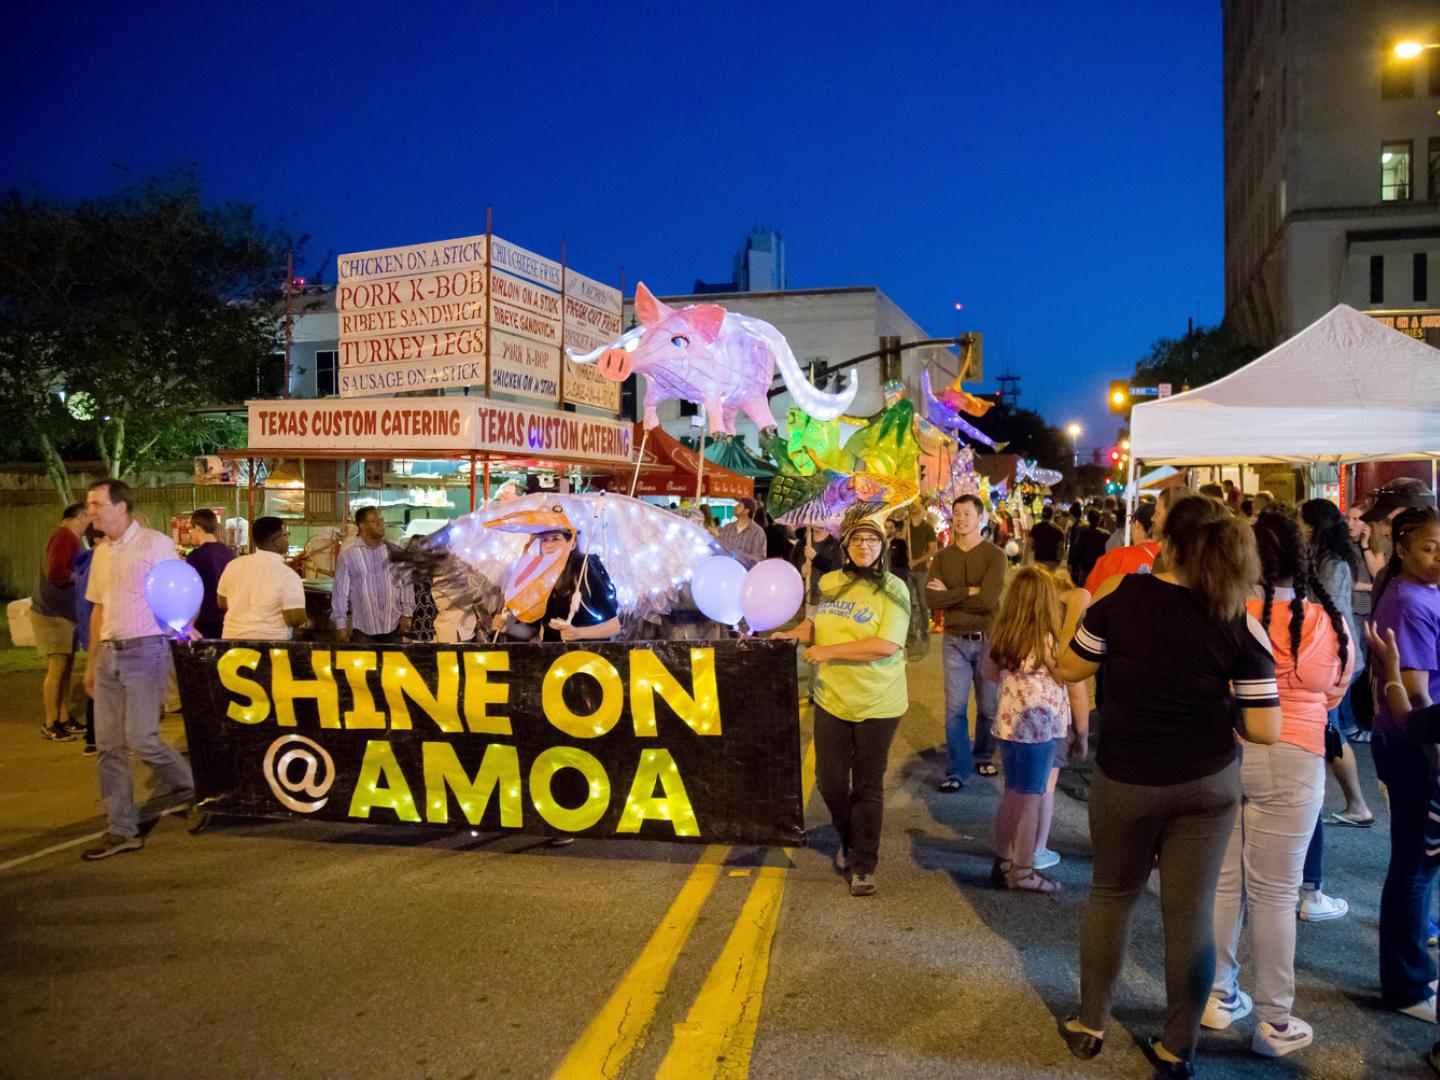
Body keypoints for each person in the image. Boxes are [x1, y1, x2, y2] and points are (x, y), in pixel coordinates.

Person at [1056, 494, 1282, 1075]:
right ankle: (1177, 1046)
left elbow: (1072, 667)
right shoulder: (1237, 615)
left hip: (1128, 776)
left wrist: (1077, 609)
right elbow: (1264, 726)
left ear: (1171, 545)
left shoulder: (1123, 596)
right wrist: (1216, 701)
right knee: (1190, 913)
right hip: (1207, 782)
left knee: (1112, 895)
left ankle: (1090, 1025)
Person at [1203, 511, 1352, 1058]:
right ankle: (1275, 1023)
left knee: (1223, 884)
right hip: (1297, 758)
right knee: (1276, 894)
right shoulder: (1327, 621)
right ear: (1301, 559)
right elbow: (1337, 690)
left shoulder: (1226, 615)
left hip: (1229, 752)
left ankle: (1217, 996)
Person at [771, 513, 910, 896]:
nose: (865, 546)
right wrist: (792, 635)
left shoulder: (895, 589)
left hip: (878, 701)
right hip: (832, 697)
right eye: (857, 540)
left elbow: (887, 645)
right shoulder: (830, 582)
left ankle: (864, 864)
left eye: (872, 540)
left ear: (883, 546)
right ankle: (851, 837)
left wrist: (828, 651)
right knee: (830, 781)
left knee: (867, 785)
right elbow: (813, 623)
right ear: (846, 545)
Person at [80, 479, 196, 860]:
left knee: (142, 739)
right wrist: (92, 662)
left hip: (147, 650)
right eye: (89, 505)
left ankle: (195, 786)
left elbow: (181, 587)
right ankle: (121, 828)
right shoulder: (101, 553)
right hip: (110, 654)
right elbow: (98, 609)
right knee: (108, 747)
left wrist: (182, 626)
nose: (90, 511)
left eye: (96, 503)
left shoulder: (154, 543)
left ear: (120, 506)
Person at [1365, 506, 1440, 1022]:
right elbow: (1413, 700)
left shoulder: (1423, 593)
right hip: (1416, 746)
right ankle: (1406, 984)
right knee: (1414, 865)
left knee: (1423, 864)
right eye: (1431, 548)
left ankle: (1412, 970)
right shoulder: (1409, 603)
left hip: (1422, 743)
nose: (1439, 556)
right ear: (1405, 549)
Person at [982, 566, 1088, 892]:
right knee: (1031, 797)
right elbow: (1069, 676)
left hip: (1009, 726)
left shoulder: (1004, 636)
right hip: (1040, 729)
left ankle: (1002, 861)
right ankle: (1024, 870)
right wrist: (1081, 732)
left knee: (1012, 794)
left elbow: (988, 672)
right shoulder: (1048, 641)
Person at [928, 494, 1006, 786]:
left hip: (987, 639)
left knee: (988, 706)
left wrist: (951, 595)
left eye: (966, 513)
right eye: (956, 513)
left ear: (981, 518)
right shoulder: (943, 557)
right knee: (955, 708)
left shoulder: (995, 555)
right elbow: (930, 598)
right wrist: (967, 591)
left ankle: (984, 754)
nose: (960, 518)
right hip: (954, 641)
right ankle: (957, 769)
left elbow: (988, 601)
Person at [488, 506, 620, 643]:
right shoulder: (538, 576)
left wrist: (578, 633)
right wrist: (509, 627)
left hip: (588, 658)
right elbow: (531, 631)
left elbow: (614, 626)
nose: (549, 545)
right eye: (545, 540)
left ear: (572, 544)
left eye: (555, 539)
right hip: (552, 658)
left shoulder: (586, 569)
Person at [31, 502, 87, 741]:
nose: (92, 521)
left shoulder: (68, 537)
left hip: (63, 613)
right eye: (90, 515)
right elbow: (56, 573)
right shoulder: (64, 536)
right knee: (57, 668)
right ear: (80, 516)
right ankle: (51, 722)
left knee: (65, 668)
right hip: (53, 613)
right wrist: (83, 577)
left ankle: (64, 718)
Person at [332, 506, 414, 644]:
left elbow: (408, 582)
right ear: (362, 525)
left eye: (381, 519)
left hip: (393, 627)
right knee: (364, 666)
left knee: (392, 665)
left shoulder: (395, 552)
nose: (381, 523)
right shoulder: (349, 556)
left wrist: (407, 613)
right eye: (375, 521)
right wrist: (341, 625)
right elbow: (340, 592)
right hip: (363, 630)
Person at [217, 517, 307, 640]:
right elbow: (295, 618)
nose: (287, 539)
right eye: (286, 535)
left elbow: (222, 603)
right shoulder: (287, 575)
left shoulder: (234, 565)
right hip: (270, 644)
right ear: (276, 541)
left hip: (231, 642)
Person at [185, 509, 235, 639]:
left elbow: (192, 591)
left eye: (191, 529)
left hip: (204, 619)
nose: (191, 533)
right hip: (227, 618)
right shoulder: (229, 553)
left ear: (198, 528)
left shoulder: (194, 556)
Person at [790, 525, 844, 611]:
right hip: (803, 602)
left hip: (827, 602)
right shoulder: (801, 544)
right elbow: (791, 568)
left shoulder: (836, 545)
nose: (818, 523)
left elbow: (838, 570)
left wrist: (815, 558)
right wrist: (800, 571)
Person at [1066, 509, 1109, 593]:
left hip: (1085, 569)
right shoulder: (1105, 535)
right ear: (1099, 519)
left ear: (1088, 519)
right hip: (1100, 569)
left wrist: (1075, 564)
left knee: (1084, 592)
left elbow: (1077, 551)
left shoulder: (1083, 534)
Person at [717, 497, 766, 568]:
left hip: (745, 574)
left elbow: (758, 558)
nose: (735, 507)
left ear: (746, 511)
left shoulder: (757, 532)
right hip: (724, 570)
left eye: (739, 505)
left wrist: (735, 554)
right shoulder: (727, 528)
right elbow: (719, 547)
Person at [1027, 504, 1065, 571]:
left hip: (1039, 560)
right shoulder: (1059, 530)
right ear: (1052, 516)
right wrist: (1059, 560)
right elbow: (1061, 547)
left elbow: (1029, 544)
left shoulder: (1036, 528)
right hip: (1052, 561)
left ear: (1042, 515)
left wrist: (1024, 560)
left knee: (1040, 579)